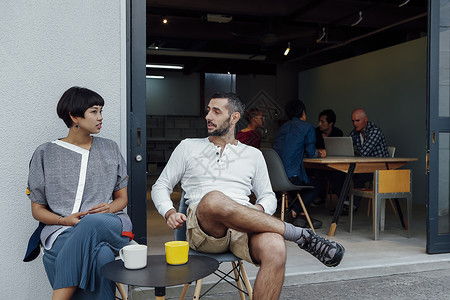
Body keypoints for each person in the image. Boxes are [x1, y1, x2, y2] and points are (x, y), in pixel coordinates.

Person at [151, 92, 344, 300]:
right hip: (205, 228)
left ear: (234, 117)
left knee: (276, 247)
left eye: (216, 111)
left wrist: (257, 211)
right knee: (213, 199)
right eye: (208, 110)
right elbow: (160, 185)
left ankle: (296, 236)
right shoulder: (188, 146)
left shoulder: (253, 155)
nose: (208, 116)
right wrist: (169, 211)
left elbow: (268, 196)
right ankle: (298, 234)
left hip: (243, 227)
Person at [27, 86, 132, 300]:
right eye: (94, 111)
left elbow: (122, 199)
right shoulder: (45, 154)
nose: (100, 117)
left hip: (111, 224)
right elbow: (37, 210)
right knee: (100, 255)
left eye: (101, 111)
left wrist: (109, 208)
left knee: (92, 222)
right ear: (74, 116)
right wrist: (64, 221)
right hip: (61, 230)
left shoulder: (110, 149)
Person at [273, 99, 326, 229]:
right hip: (292, 178)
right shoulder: (307, 127)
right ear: (303, 113)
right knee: (319, 183)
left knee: (302, 182)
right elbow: (311, 152)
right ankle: (294, 212)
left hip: (275, 178)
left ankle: (301, 215)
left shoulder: (282, 128)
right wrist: (320, 153)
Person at [347, 108, 389, 213]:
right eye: (353, 121)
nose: (355, 124)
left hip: (380, 170)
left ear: (365, 119)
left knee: (355, 175)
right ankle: (347, 203)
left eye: (357, 121)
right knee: (343, 174)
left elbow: (364, 153)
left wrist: (354, 153)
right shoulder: (355, 132)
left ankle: (353, 205)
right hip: (366, 167)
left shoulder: (375, 131)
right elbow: (346, 145)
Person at [313, 109, 344, 206]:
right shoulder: (315, 132)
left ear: (330, 123)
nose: (319, 124)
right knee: (317, 174)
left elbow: (339, 150)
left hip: (333, 164)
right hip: (317, 164)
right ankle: (320, 198)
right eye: (319, 121)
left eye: (322, 122)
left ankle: (343, 202)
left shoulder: (338, 133)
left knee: (338, 175)